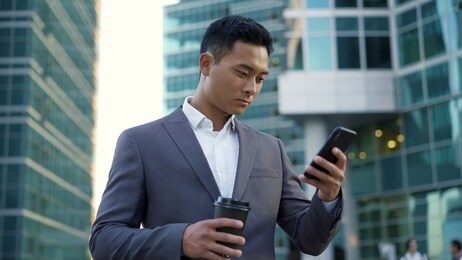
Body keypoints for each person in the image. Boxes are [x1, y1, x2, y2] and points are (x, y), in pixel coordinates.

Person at [89, 15, 346, 260]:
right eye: (243, 73)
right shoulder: (142, 142)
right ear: (206, 64)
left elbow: (309, 240)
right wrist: (180, 240)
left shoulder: (271, 150)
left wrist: (328, 196)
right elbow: (104, 241)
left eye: (260, 78)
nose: (251, 88)